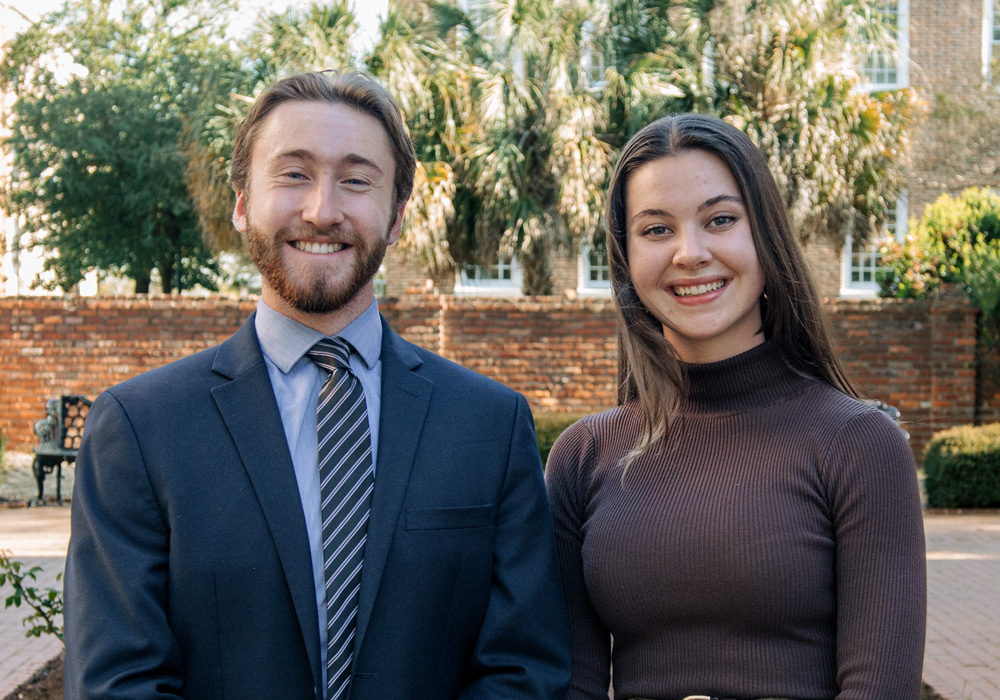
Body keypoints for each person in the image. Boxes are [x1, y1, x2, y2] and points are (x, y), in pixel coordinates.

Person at [63, 70, 571, 700]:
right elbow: (119, 681)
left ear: (396, 217)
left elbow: (524, 670)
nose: (322, 210)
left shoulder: (490, 426)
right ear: (243, 200)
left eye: (357, 181)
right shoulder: (140, 430)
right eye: (293, 173)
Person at [545, 114, 926, 700]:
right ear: (625, 258)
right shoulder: (582, 457)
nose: (690, 253)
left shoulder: (859, 445)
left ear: (765, 236)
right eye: (655, 230)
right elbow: (574, 686)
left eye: (720, 220)